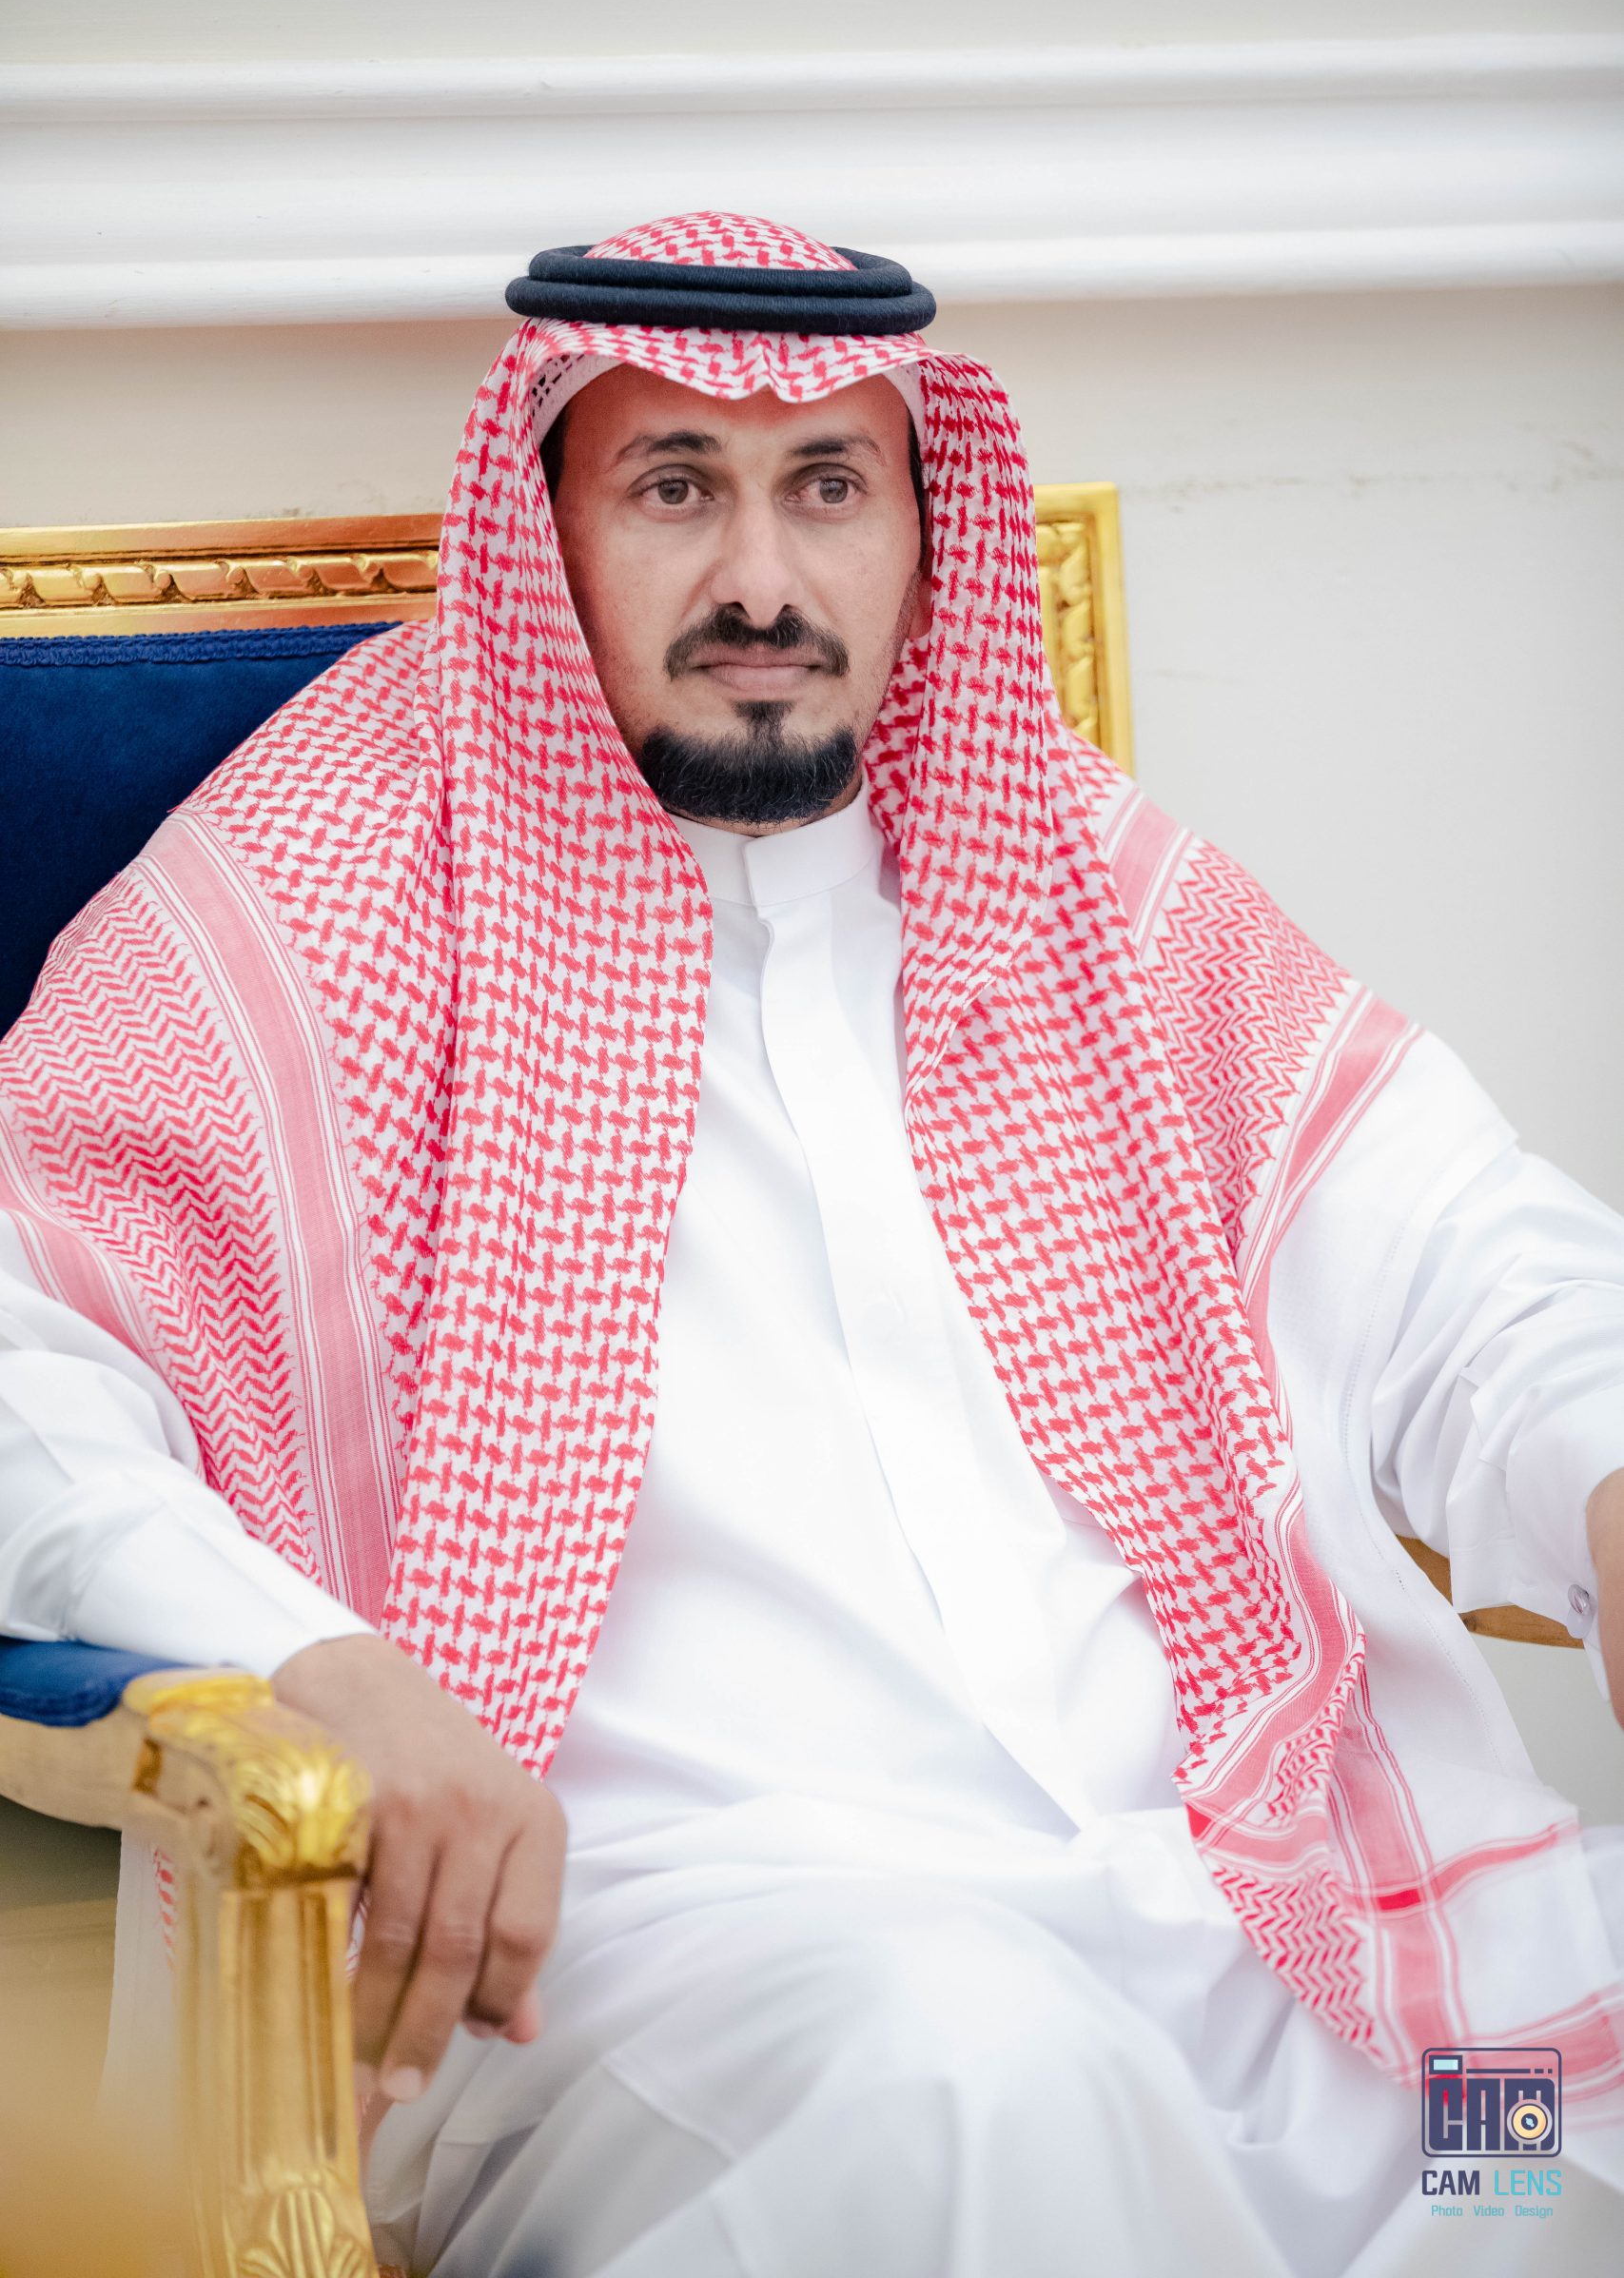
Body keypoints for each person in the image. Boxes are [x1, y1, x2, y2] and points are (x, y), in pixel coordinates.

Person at [1, 210, 1621, 2278]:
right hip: (704, 1964)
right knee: (978, 2083)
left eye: (828, 488)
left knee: (1516, 2152)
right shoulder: (311, 895)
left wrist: (1603, 1465)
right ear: (547, 523)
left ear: (920, 533)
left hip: (1264, 1922)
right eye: (676, 487)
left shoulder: (1077, 883)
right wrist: (316, 1668)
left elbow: (1470, 1259)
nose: (760, 581)